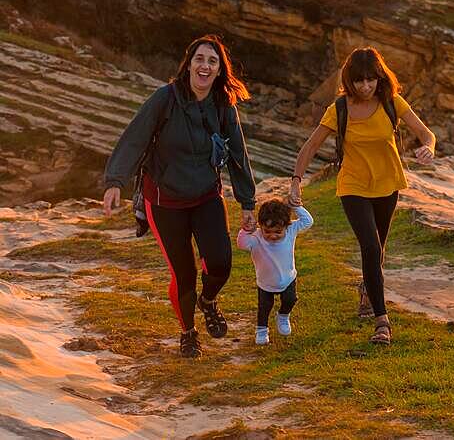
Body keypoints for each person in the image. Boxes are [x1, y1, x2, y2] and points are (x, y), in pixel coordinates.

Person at [102, 34, 256, 358]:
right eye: (200, 59)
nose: (205, 65)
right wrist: (115, 180)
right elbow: (135, 137)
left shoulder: (223, 105)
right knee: (183, 273)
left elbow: (239, 153)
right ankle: (188, 332)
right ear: (189, 65)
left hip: (205, 195)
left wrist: (247, 202)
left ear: (219, 71)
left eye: (212, 61)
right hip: (164, 200)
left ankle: (209, 300)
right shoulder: (165, 98)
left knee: (221, 262)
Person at [290, 46, 435, 346]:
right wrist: (296, 182)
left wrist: (429, 148)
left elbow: (426, 133)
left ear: (380, 78)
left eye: (371, 80)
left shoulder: (391, 102)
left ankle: (368, 288)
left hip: (388, 183)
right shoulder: (339, 109)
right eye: (359, 81)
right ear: (350, 80)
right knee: (369, 246)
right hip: (353, 185)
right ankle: (383, 322)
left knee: (378, 249)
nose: (366, 86)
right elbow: (310, 147)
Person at [237, 197, 313, 346]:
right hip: (265, 283)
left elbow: (308, 221)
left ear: (287, 226)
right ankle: (261, 330)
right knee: (264, 307)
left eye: (278, 232)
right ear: (260, 226)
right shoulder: (257, 237)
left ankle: (283, 316)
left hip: (288, 278)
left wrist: (296, 207)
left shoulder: (291, 230)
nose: (272, 235)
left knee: (290, 299)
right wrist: (245, 230)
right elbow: (242, 244)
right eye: (267, 231)